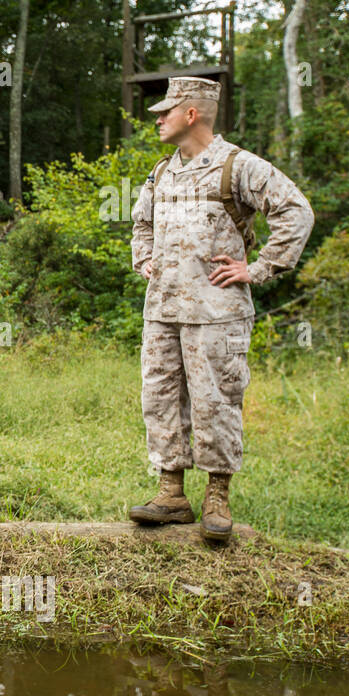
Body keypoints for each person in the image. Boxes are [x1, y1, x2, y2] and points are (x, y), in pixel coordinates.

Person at [128, 76, 314, 543]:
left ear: (191, 114)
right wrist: (145, 258)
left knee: (216, 402)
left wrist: (261, 267)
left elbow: (296, 212)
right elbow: (141, 222)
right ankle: (171, 493)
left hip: (218, 312)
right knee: (160, 397)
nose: (158, 117)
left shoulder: (239, 167)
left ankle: (217, 496)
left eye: (166, 110)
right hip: (163, 310)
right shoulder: (160, 172)